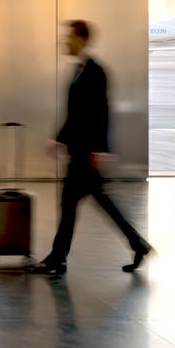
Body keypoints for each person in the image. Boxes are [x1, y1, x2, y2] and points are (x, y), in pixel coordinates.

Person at [33, 20, 153, 276]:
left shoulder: (95, 71)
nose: (64, 41)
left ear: (82, 39)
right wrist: (59, 139)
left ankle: (58, 258)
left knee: (73, 205)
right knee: (95, 203)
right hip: (80, 151)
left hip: (86, 154)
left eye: (69, 37)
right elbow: (74, 114)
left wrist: (102, 149)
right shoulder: (79, 70)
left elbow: (101, 113)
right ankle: (136, 244)